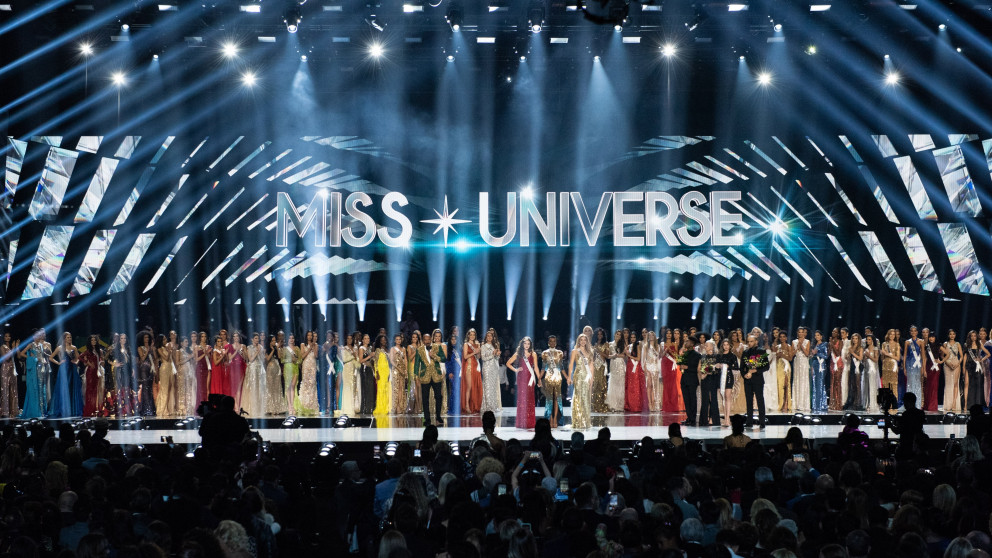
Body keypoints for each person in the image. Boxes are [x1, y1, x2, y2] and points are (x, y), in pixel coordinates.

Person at [507, 336, 538, 430]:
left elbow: (536, 367)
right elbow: (508, 363)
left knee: (530, 399)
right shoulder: (518, 353)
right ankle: (522, 422)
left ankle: (529, 422)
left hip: (530, 378)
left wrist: (539, 379)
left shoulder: (533, 354)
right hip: (521, 379)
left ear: (530, 345)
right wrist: (516, 370)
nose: (527, 345)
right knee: (522, 399)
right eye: (525, 343)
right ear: (522, 344)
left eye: (528, 344)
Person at [418, 330, 445, 427]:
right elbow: (417, 363)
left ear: (431, 339)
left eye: (428, 339)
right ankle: (427, 418)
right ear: (423, 340)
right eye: (425, 339)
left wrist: (434, 356)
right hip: (425, 376)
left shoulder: (437, 347)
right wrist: (416, 376)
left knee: (438, 397)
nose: (427, 341)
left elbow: (444, 358)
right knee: (425, 398)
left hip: (436, 376)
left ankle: (438, 416)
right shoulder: (419, 349)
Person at [742, 334, 768, 429]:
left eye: (751, 341)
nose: (749, 343)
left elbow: (766, 366)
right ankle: (749, 421)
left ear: (756, 341)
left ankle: (762, 422)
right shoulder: (745, 352)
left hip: (758, 380)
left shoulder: (761, 351)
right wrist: (745, 375)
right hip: (748, 380)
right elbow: (742, 367)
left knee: (760, 400)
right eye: (748, 341)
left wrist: (756, 370)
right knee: (749, 401)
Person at [569, 333, 593, 430]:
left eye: (584, 340)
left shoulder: (590, 352)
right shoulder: (575, 351)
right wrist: (569, 377)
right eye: (581, 339)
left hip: (587, 376)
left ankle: (585, 421)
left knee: (586, 397)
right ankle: (578, 420)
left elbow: (591, 366)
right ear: (578, 341)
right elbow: (571, 365)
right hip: (578, 376)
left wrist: (592, 378)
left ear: (587, 341)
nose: (583, 341)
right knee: (579, 396)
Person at [541, 335, 565, 427]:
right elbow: (543, 368)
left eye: (554, 341)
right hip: (548, 377)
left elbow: (561, 367)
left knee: (557, 398)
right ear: (548, 342)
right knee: (549, 399)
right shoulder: (545, 353)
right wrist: (539, 378)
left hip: (557, 377)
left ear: (556, 342)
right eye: (550, 341)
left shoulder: (560, 353)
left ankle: (555, 419)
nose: (552, 342)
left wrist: (567, 377)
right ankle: (550, 418)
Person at [892, 392, 925, 458]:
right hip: (917, 444)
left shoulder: (906, 414)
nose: (904, 404)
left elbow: (897, 431)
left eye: (905, 402)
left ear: (908, 402)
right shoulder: (921, 413)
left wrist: (890, 425)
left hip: (906, 446)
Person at [679, 337, 701, 426]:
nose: (686, 342)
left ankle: (693, 418)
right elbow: (681, 365)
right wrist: (681, 365)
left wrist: (688, 367)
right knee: (686, 400)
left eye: (688, 341)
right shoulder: (684, 353)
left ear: (692, 344)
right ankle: (689, 417)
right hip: (684, 380)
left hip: (692, 380)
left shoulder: (697, 355)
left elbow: (697, 369)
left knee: (692, 399)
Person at [242, 333, 266, 417]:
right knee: (253, 388)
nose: (257, 340)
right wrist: (257, 352)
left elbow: (263, 360)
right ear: (252, 339)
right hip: (253, 370)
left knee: (260, 389)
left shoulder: (261, 347)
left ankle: (259, 409)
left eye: (258, 338)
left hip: (260, 370)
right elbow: (250, 359)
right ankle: (252, 408)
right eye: (255, 338)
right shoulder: (249, 347)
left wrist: (261, 352)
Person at [699, 340, 721, 427]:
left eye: (707, 345)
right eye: (705, 345)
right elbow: (700, 368)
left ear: (712, 347)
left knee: (713, 399)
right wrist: (703, 373)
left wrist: (710, 370)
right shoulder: (703, 356)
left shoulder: (717, 356)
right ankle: (704, 420)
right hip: (705, 379)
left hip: (713, 379)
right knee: (705, 400)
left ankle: (713, 419)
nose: (705, 347)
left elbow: (718, 367)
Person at [480, 328, 501, 415]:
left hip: (494, 368)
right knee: (487, 387)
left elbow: (496, 358)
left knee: (493, 388)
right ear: (486, 337)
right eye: (488, 336)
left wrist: (497, 355)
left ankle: (493, 405)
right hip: (487, 368)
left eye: (491, 336)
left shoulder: (494, 346)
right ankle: (488, 407)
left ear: (492, 337)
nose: (489, 337)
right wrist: (492, 354)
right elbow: (483, 358)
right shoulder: (483, 346)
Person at [79, 335, 102, 417]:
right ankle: (89, 409)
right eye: (92, 340)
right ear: (90, 341)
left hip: (96, 372)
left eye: (95, 340)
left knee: (95, 391)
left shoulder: (97, 351)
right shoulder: (88, 351)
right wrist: (88, 362)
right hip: (90, 372)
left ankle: (94, 409)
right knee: (89, 391)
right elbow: (80, 357)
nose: (93, 341)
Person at [462, 328, 482, 415]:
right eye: (471, 335)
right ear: (468, 335)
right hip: (469, 366)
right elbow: (465, 356)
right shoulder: (466, 344)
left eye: (474, 335)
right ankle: (467, 406)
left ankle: (474, 405)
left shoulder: (477, 344)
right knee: (469, 387)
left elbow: (478, 357)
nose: (472, 336)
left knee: (475, 386)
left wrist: (478, 350)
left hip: (476, 366)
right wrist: (474, 352)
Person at [606, 330, 627, 412]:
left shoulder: (623, 344)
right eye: (617, 334)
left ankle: (620, 405)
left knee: (620, 384)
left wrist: (616, 355)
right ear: (614, 335)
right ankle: (612, 405)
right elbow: (608, 356)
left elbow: (624, 355)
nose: (618, 336)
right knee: (613, 384)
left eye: (620, 335)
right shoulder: (610, 344)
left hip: (621, 365)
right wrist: (613, 356)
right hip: (613, 364)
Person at [943, 330, 963, 412]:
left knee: (955, 384)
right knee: (948, 384)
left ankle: (954, 403)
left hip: (956, 364)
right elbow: (942, 355)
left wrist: (958, 363)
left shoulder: (958, 344)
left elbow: (961, 356)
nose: (952, 335)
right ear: (948, 335)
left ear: (955, 335)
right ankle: (948, 404)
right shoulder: (945, 344)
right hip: (947, 365)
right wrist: (947, 362)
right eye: (950, 334)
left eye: (953, 334)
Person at [792, 327, 811, 413]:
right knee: (797, 381)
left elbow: (807, 354)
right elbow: (792, 354)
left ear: (804, 333)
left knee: (803, 381)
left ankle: (803, 404)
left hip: (804, 362)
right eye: (799, 332)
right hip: (797, 362)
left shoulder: (807, 341)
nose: (800, 333)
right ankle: (796, 404)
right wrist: (797, 347)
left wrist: (801, 346)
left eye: (802, 332)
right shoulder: (794, 342)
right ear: (797, 333)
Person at [774, 330, 793, 413]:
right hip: (779, 366)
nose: (782, 338)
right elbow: (774, 357)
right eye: (780, 337)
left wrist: (783, 355)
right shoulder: (777, 347)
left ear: (786, 338)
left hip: (786, 367)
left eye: (783, 337)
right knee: (780, 385)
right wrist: (777, 356)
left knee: (786, 385)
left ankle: (787, 404)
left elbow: (790, 358)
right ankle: (780, 404)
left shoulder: (789, 346)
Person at [372, 334, 391, 415]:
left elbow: (389, 362)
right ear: (379, 341)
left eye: (384, 340)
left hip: (387, 370)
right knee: (381, 389)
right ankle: (380, 408)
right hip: (380, 371)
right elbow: (375, 362)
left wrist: (389, 372)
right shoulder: (378, 350)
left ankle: (386, 407)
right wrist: (376, 372)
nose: (383, 341)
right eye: (382, 340)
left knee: (386, 389)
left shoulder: (387, 350)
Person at [923, 331, 942, 412]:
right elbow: (925, 358)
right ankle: (927, 405)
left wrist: (941, 361)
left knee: (934, 386)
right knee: (928, 386)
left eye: (933, 337)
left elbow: (947, 354)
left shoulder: (939, 346)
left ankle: (932, 406)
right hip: (928, 367)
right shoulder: (926, 347)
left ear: (935, 338)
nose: (931, 338)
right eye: (930, 337)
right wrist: (924, 370)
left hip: (936, 367)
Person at [282, 334, 300, 414]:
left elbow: (300, 360)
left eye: (292, 338)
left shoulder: (297, 348)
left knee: (293, 386)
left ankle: (292, 406)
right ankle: (289, 405)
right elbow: (282, 360)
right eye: (290, 338)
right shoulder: (285, 349)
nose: (291, 340)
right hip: (287, 368)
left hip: (295, 368)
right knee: (288, 387)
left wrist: (296, 361)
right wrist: (290, 360)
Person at [389, 333, 408, 415]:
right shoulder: (392, 349)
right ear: (394, 340)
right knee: (396, 388)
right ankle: (395, 407)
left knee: (401, 388)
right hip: (396, 370)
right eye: (397, 339)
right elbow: (391, 361)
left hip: (402, 371)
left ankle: (401, 407)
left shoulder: (403, 349)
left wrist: (406, 370)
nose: (398, 341)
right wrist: (398, 368)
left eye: (399, 339)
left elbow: (405, 360)